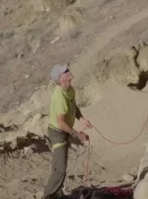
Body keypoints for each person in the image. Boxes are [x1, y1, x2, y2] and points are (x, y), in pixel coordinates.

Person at [43, 64, 91, 199]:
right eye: (66, 71)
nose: (69, 72)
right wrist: (78, 134)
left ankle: (57, 194)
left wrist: (82, 119)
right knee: (60, 169)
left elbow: (73, 106)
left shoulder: (70, 89)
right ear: (61, 78)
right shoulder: (59, 96)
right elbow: (61, 122)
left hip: (63, 133)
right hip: (57, 133)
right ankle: (48, 196)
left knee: (59, 167)